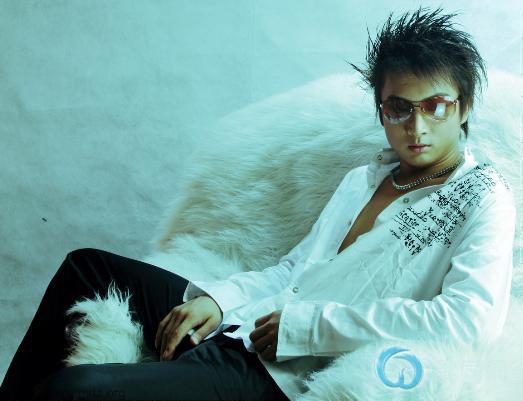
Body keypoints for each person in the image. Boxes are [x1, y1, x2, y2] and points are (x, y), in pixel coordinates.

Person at [0, 6, 516, 401]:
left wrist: (308, 327)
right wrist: (218, 300)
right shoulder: (364, 179)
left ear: (463, 106)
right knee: (87, 268)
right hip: (248, 321)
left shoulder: (484, 197)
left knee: (74, 390)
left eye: (435, 106)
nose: (417, 126)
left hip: (277, 369)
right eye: (399, 108)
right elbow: (294, 270)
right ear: (381, 109)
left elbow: (468, 321)